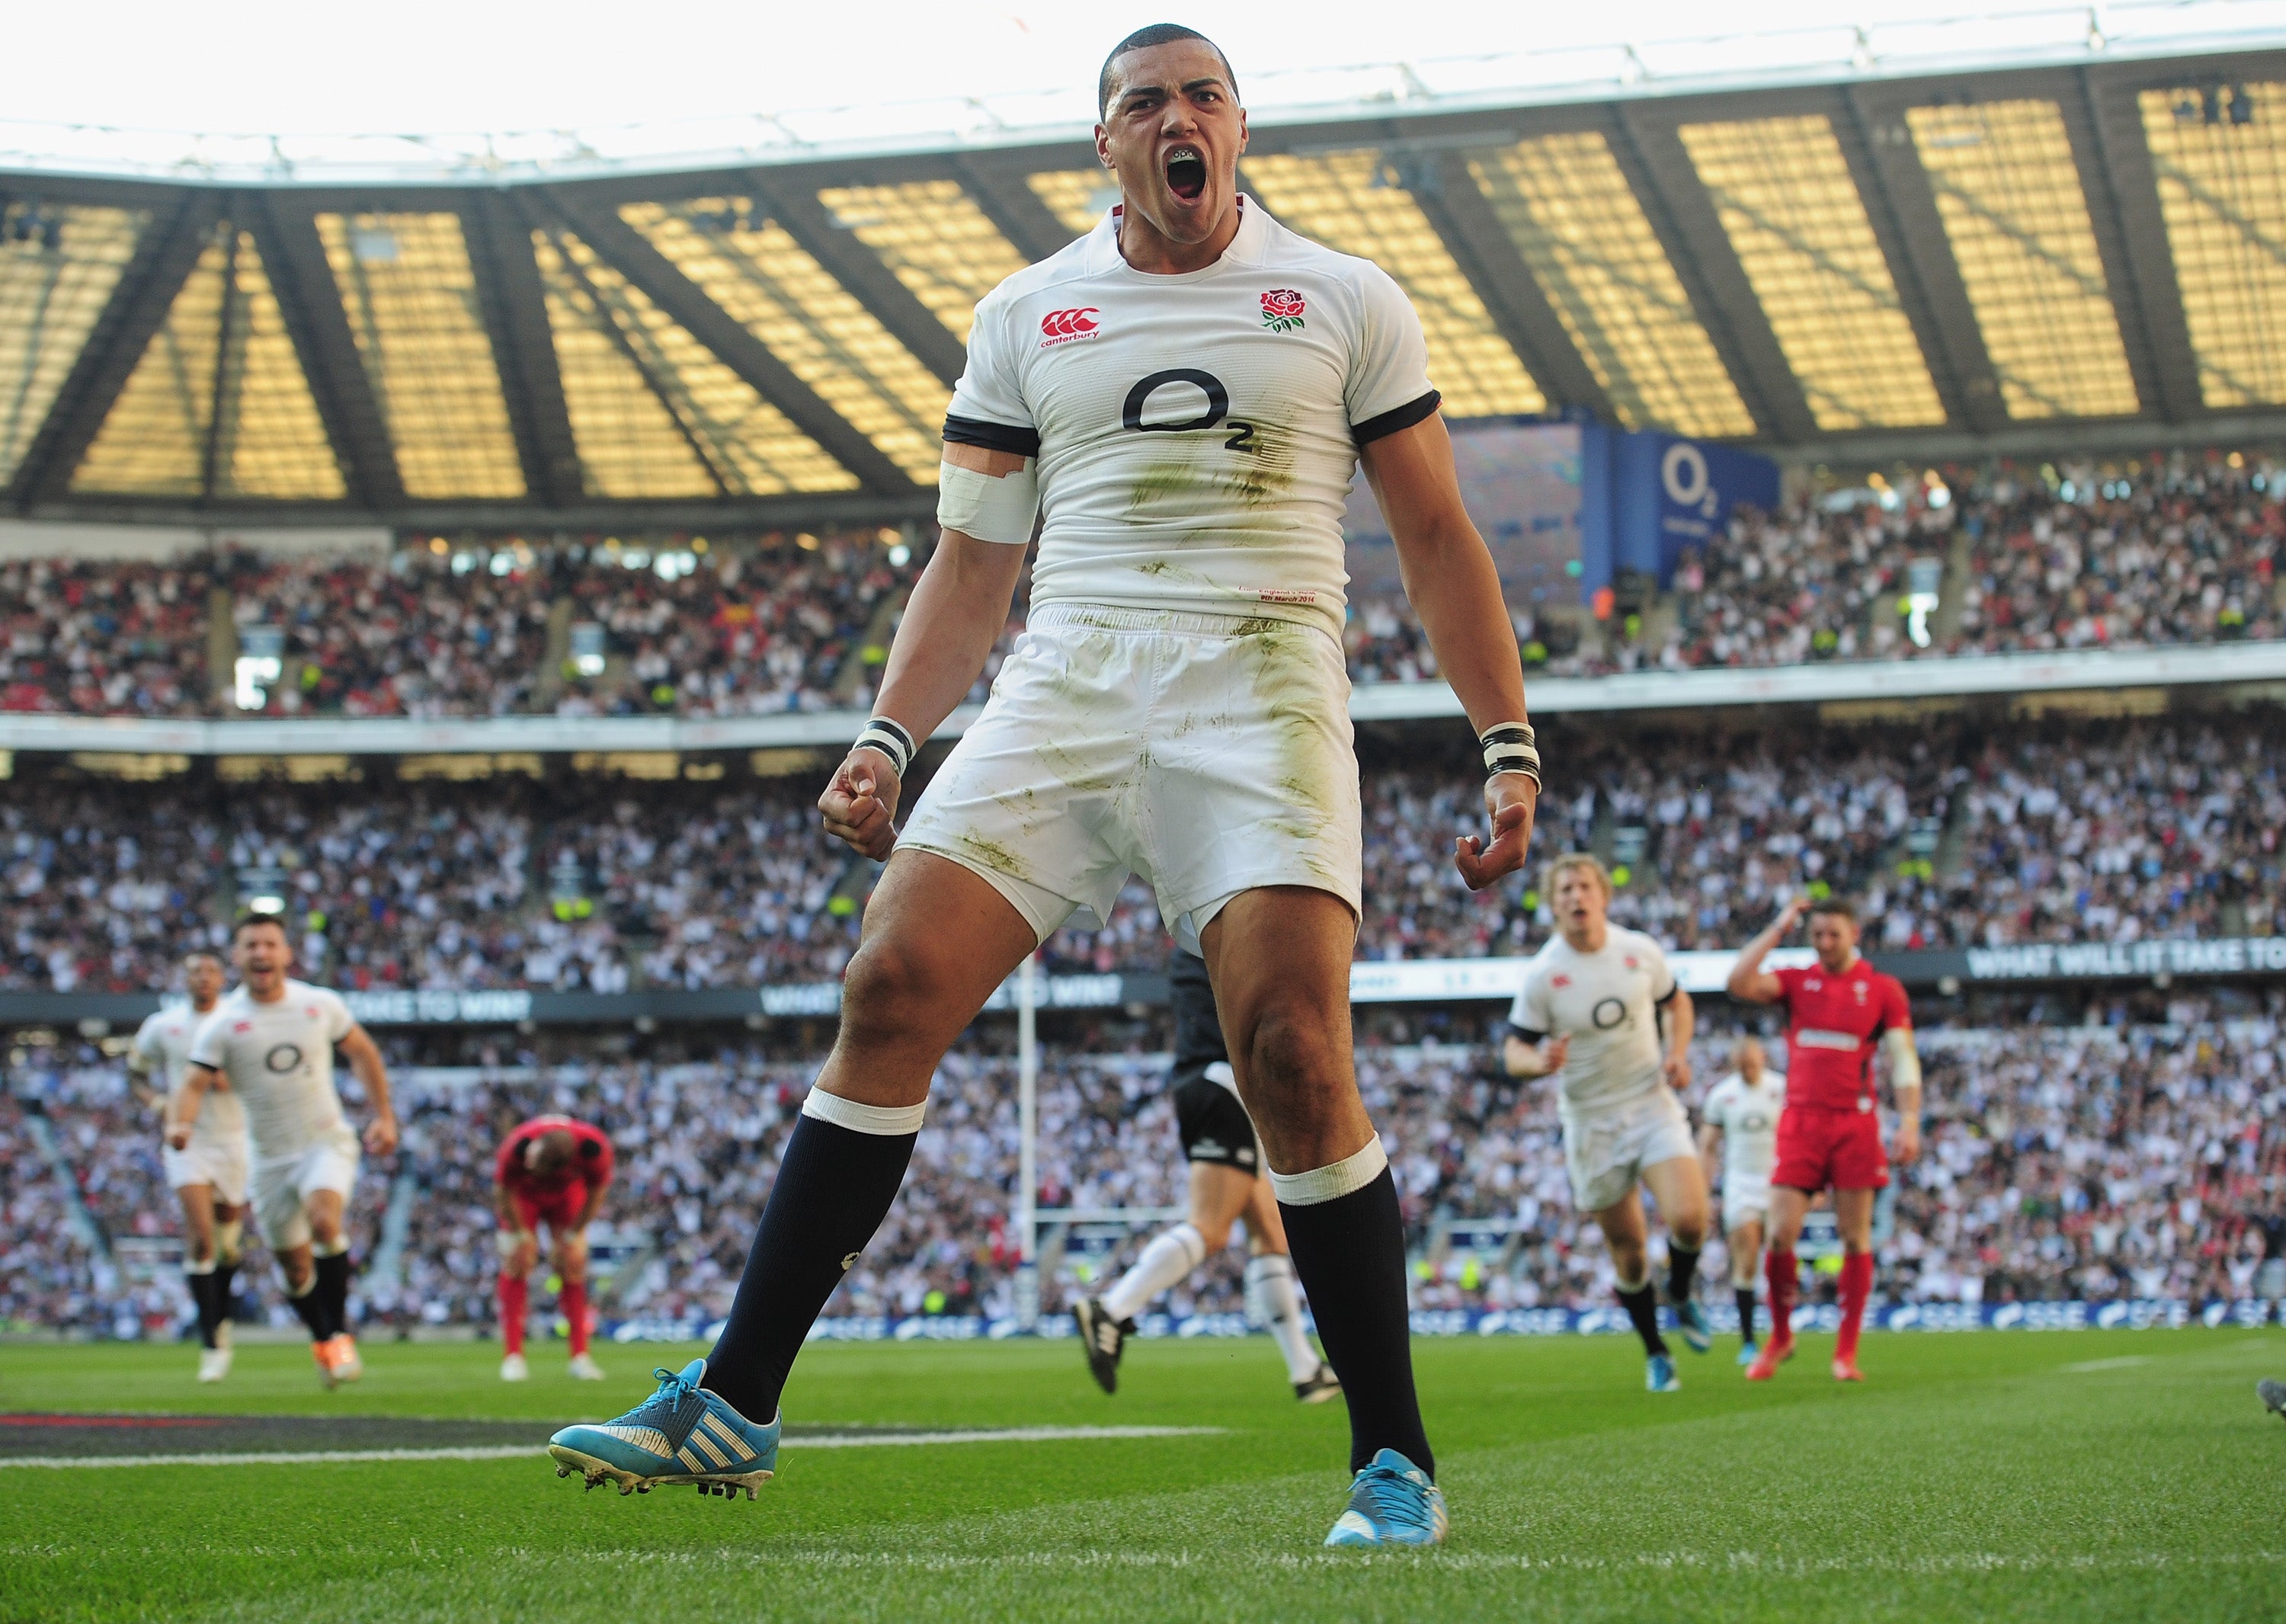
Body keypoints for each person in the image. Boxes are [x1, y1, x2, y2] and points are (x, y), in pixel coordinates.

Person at [549, 22, 1539, 1548]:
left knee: (1290, 1053)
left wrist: (1507, 734)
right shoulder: (1025, 311)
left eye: (1202, 94)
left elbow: (1435, 536)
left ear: (1240, 129)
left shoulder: (1345, 299)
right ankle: (735, 1404)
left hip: (1259, 679)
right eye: (1145, 102)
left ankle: (1392, 1463)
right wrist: (889, 733)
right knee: (886, 986)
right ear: (1109, 145)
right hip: (1068, 678)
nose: (1177, 119)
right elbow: (974, 557)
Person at [1075, 950, 1340, 1401]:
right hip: (1226, 1083)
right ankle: (1114, 1308)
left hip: (1206, 1082)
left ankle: (1305, 1368)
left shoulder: (1189, 939)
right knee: (1211, 1228)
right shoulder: (1221, 926)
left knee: (1270, 1233)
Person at [1505, 854, 1710, 1392]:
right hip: (1591, 1122)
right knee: (1632, 1251)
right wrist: (1538, 1062)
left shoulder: (1639, 951)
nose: (1576, 896)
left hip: (1649, 1102)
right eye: (1565, 889)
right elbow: (1513, 1051)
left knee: (1690, 1219)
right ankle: (1656, 1350)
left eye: (1584, 886)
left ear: (1602, 896)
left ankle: (1683, 1291)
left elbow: (1677, 1002)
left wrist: (1678, 1051)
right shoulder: (1544, 975)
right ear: (1554, 905)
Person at [168, 915, 399, 1389]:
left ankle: (338, 1335)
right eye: (250, 944)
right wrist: (179, 1122)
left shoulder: (319, 1004)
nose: (260, 952)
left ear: (286, 953)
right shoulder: (223, 1024)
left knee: (324, 1221)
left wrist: (384, 1114)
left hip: (324, 1141)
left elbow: (363, 1052)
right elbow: (193, 1082)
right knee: (295, 1270)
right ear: (237, 957)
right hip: (268, 1159)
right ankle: (322, 1338)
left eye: (269, 943)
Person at [1726, 895, 1920, 1383]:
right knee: (1780, 1233)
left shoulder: (1882, 989)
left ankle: (1846, 1352)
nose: (1825, 943)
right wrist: (1778, 926)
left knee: (1855, 1237)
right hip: (1801, 1123)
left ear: (1855, 933)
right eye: (1816, 935)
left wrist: (1911, 1118)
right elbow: (1738, 982)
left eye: (1834, 934)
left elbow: (1903, 1057)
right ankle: (1782, 1335)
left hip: (1855, 1124)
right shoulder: (1797, 980)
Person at [129, 951, 242, 1382]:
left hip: (234, 1140)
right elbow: (135, 1072)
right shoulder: (165, 1026)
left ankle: (221, 1313)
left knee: (228, 1243)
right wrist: (160, 1104)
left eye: (211, 971)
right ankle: (211, 1341)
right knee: (200, 1238)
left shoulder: (237, 1020)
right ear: (185, 978)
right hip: (186, 1139)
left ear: (221, 978)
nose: (203, 979)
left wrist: (231, 1079)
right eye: (195, 972)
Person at [495, 1115, 614, 1382]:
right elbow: (503, 1190)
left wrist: (573, 1235)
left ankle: (580, 1356)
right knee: (518, 1261)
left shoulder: (595, 1150)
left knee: (573, 1265)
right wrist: (521, 1233)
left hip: (567, 1196)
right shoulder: (517, 1145)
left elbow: (596, 1194)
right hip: (522, 1196)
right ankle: (513, 1356)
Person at [1697, 1037, 1785, 1367]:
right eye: (1742, 1066)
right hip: (1741, 1185)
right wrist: (1701, 1190)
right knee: (1746, 1258)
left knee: (1779, 1253)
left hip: (1778, 1182)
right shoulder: (1722, 1096)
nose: (1748, 1071)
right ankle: (1748, 1340)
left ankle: (1782, 1332)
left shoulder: (1781, 1088)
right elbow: (1708, 1147)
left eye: (1752, 1064)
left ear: (1762, 1059)